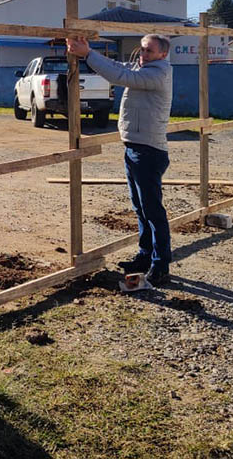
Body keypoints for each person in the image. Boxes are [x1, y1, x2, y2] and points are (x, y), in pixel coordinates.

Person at [65, 33, 174, 286]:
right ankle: (145, 256)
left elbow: (121, 77)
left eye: (149, 51)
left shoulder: (157, 74)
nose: (143, 54)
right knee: (140, 208)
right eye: (142, 49)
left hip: (148, 151)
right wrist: (89, 50)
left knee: (153, 211)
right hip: (135, 148)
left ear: (163, 54)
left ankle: (161, 264)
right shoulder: (142, 67)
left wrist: (88, 55)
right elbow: (117, 67)